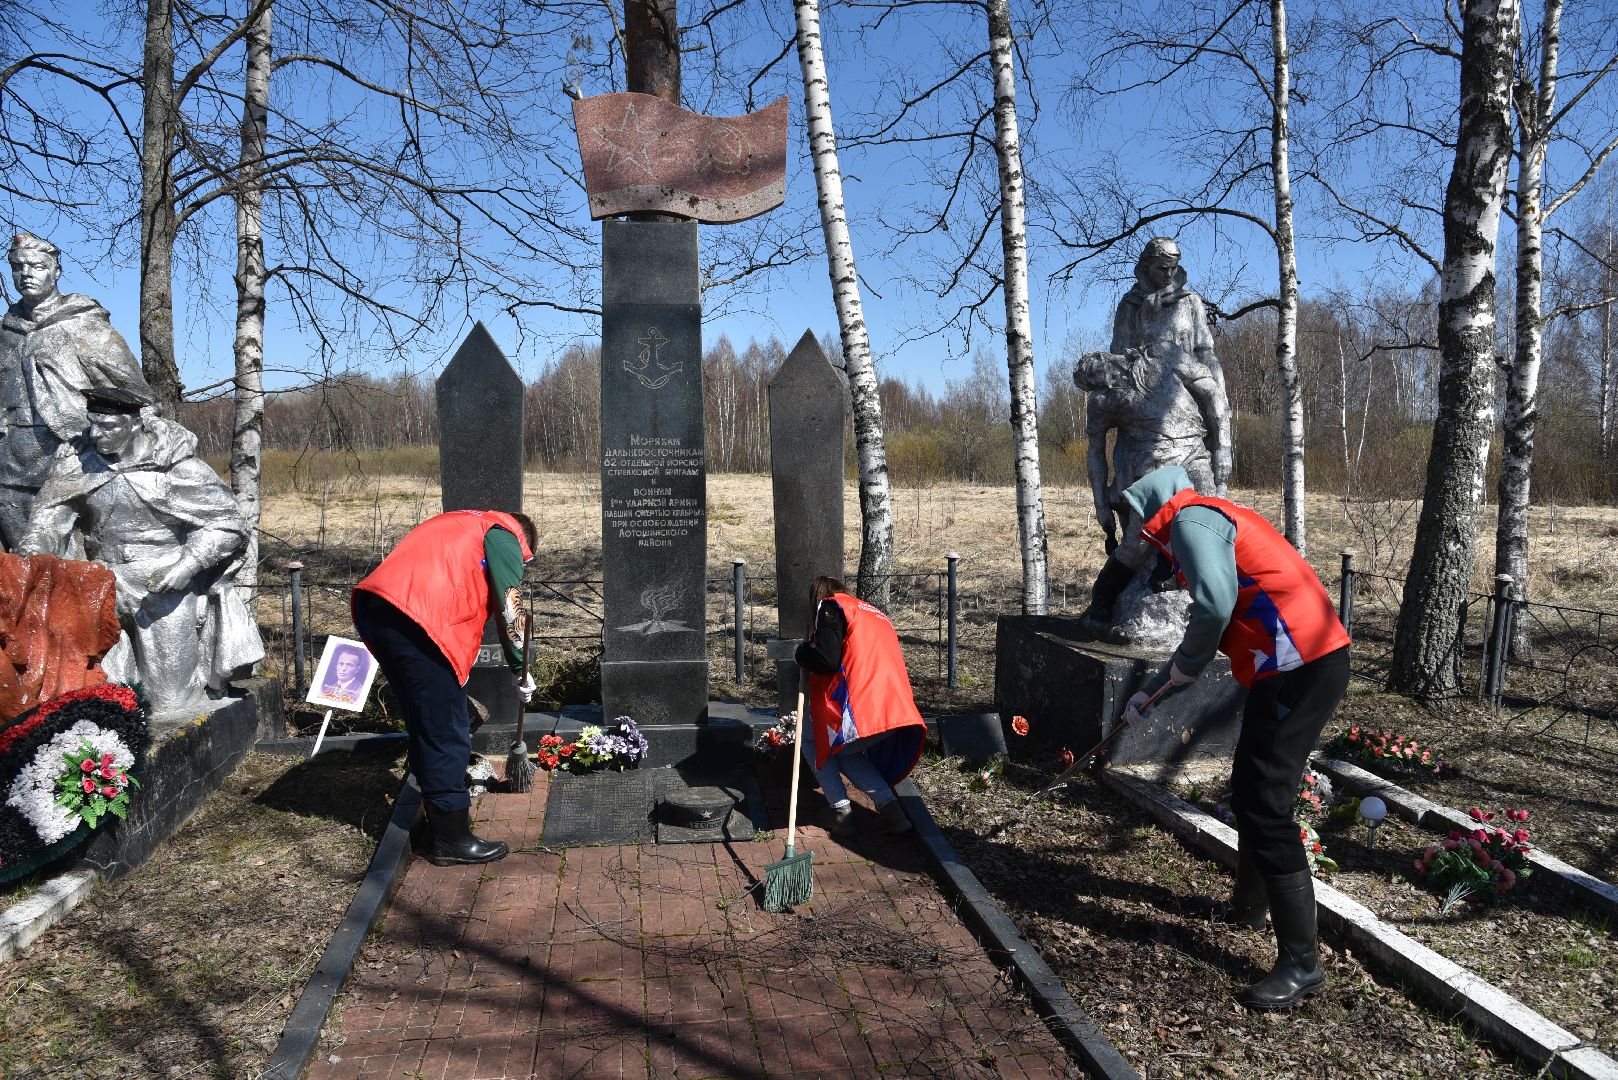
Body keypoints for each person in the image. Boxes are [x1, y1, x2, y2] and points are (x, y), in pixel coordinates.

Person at [1116, 465, 1351, 1011]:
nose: (1131, 532)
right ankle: (1247, 910)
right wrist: (1152, 690)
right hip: (1293, 664)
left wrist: (1182, 668)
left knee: (1266, 805)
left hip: (1302, 664)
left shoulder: (1191, 522)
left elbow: (1215, 607)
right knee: (1250, 792)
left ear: (1149, 510)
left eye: (1131, 518)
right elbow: (1219, 617)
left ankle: (1302, 964)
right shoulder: (1208, 518)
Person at [18, 386, 264, 713]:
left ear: (135, 424)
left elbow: (227, 523)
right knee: (103, 695)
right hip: (101, 584)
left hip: (164, 585)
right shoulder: (78, 464)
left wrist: (187, 565)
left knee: (169, 703)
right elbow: (49, 519)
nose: (97, 434)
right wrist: (32, 552)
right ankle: (107, 742)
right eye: (93, 424)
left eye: (109, 426)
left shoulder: (176, 467)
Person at [352, 509, 538, 866]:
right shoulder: (504, 534)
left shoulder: (460, 522)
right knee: (447, 727)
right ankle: (452, 840)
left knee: (425, 719)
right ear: (525, 540)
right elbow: (509, 603)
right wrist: (521, 669)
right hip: (422, 620)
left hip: (382, 609)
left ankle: (433, 812)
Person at [0, 233, 154, 548]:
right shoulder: (8, 330)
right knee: (21, 560)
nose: (26, 274)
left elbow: (137, 394)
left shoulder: (84, 323)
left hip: (73, 456)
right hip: (10, 467)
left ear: (56, 271)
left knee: (73, 557)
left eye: (37, 266)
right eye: (18, 267)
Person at [793, 576, 927, 838]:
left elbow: (828, 660)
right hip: (894, 703)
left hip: (861, 703)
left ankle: (839, 809)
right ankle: (893, 812)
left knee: (809, 738)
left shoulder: (830, 607)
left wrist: (802, 653)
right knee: (847, 753)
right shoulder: (872, 612)